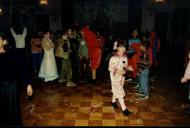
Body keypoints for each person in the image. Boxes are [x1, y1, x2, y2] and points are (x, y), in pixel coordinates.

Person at [0, 33, 33, 126]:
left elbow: (23, 69)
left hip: (10, 87)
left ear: (4, 42)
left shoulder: (13, 54)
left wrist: (28, 84)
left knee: (11, 112)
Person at [108, 41, 133, 116]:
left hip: (122, 76)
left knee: (119, 88)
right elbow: (111, 68)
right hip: (115, 76)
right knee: (119, 91)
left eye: (124, 47)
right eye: (121, 47)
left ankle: (113, 101)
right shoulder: (113, 57)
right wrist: (118, 71)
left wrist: (128, 68)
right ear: (117, 48)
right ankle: (124, 108)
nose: (123, 49)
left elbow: (125, 66)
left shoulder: (125, 57)